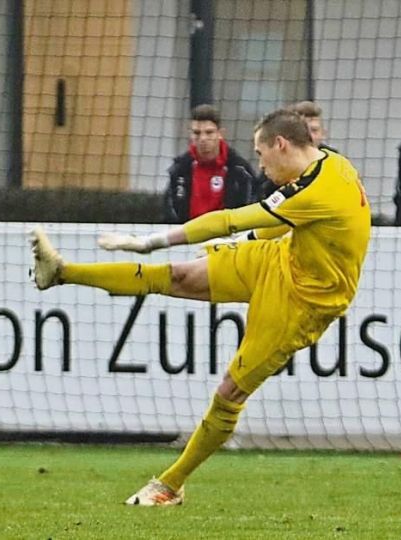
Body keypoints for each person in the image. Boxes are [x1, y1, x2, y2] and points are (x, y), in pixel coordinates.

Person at [30, 108, 371, 506]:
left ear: (281, 144)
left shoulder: (321, 186)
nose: (260, 164)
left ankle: (170, 485)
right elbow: (286, 220)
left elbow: (233, 219)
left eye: (261, 154)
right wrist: (247, 245)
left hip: (305, 302)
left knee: (230, 392)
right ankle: (61, 272)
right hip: (281, 259)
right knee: (180, 276)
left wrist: (152, 240)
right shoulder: (327, 166)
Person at [163, 104, 257, 223]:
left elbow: (251, 206)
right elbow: (170, 211)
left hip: (228, 237)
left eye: (209, 132)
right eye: (197, 133)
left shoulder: (240, 170)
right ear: (190, 135)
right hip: (188, 237)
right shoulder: (179, 169)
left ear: (220, 134)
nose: (203, 139)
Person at [257, 100, 336, 200]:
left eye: (314, 130)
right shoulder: (275, 163)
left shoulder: (335, 163)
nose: (310, 136)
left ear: (323, 133)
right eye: (305, 130)